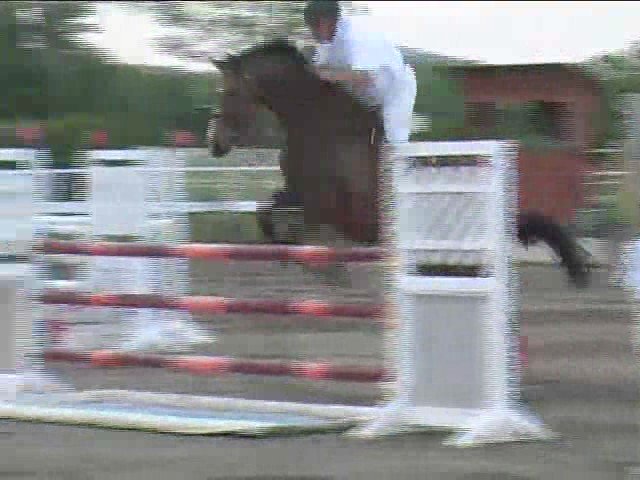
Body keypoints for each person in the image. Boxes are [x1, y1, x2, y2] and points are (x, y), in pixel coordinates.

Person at [303, 0, 417, 144]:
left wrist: (324, 75)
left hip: (395, 91)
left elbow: (364, 77)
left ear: (325, 22)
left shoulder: (357, 35)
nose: (312, 33)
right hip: (368, 96)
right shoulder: (327, 43)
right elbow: (319, 69)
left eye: (313, 27)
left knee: (395, 142)